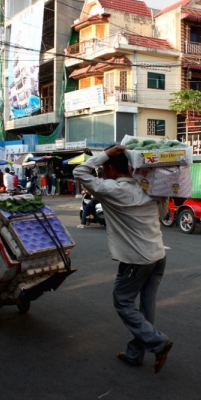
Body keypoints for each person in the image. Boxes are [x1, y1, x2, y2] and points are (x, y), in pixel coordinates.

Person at [73, 145, 173, 374]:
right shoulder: (147, 187)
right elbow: (162, 215)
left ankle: (158, 343)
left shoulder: (111, 189)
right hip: (158, 255)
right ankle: (135, 354)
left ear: (108, 168)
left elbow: (79, 173)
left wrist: (107, 153)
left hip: (136, 260)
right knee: (147, 308)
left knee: (123, 301)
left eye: (104, 168)